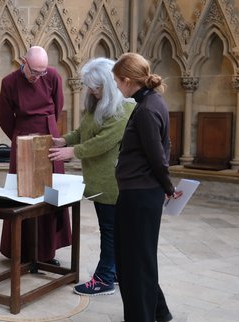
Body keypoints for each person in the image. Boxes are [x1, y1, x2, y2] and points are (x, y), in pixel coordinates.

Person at [49, 57, 134, 296]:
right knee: (111, 230)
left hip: (112, 183)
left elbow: (102, 143)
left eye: (95, 86)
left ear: (107, 84)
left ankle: (104, 278)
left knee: (109, 230)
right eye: (89, 86)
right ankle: (114, 272)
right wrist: (65, 140)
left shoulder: (125, 109)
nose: (91, 90)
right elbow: (84, 130)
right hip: (98, 180)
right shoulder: (98, 105)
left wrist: (72, 151)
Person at [112, 52, 182, 322]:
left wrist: (168, 186)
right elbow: (166, 146)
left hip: (140, 196)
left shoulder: (146, 110)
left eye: (118, 81)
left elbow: (157, 155)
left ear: (129, 80)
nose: (117, 87)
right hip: (139, 193)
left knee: (134, 263)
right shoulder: (153, 102)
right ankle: (159, 311)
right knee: (137, 257)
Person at [0, 46, 71, 265]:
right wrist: (20, 137)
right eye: (35, 72)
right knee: (22, 195)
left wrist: (48, 131)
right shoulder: (9, 82)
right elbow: (4, 117)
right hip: (22, 139)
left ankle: (47, 252)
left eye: (42, 72)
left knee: (49, 193)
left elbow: (57, 107)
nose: (39, 77)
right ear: (23, 62)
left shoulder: (53, 76)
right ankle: (20, 249)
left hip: (49, 137)